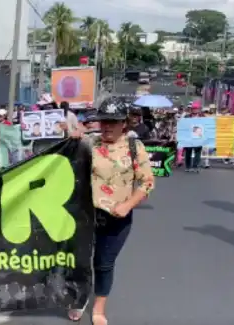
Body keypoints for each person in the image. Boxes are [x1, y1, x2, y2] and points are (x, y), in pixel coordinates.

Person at [68, 97, 155, 325]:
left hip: (117, 218)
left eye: (112, 121)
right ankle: (79, 299)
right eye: (104, 120)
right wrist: (73, 137)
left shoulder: (135, 148)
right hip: (87, 216)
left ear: (123, 123)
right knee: (81, 261)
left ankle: (98, 309)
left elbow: (147, 183)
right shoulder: (90, 143)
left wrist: (127, 205)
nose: (106, 126)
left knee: (104, 263)